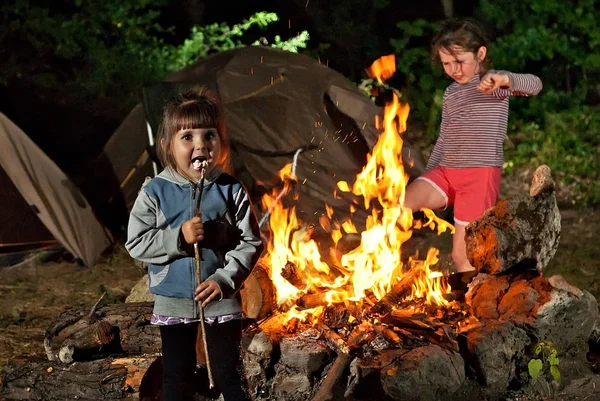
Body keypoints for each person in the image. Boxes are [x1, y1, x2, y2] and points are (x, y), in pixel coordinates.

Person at [126, 88, 263, 401]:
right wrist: (178, 239)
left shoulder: (230, 189)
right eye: (187, 136)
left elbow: (252, 241)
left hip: (221, 298)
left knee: (229, 374)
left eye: (209, 135)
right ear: (167, 145)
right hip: (173, 300)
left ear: (220, 142)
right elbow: (136, 242)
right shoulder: (155, 191)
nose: (200, 144)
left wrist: (224, 279)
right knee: (177, 376)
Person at [404, 18, 542, 279]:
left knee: (462, 255)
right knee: (397, 207)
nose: (454, 69)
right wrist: (429, 172)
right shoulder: (451, 93)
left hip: (478, 177)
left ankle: (476, 306)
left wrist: (504, 79)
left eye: (460, 61)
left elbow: (535, 85)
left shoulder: (494, 86)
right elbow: (444, 138)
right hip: (445, 171)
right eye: (446, 63)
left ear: (480, 54)